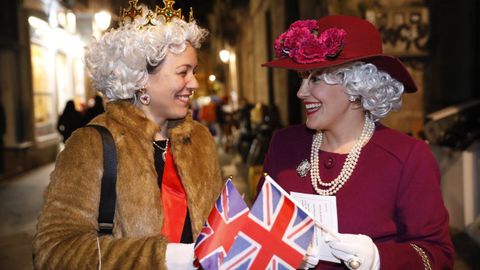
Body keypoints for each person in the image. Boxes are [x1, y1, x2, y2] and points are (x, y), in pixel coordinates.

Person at [33, 1, 223, 269]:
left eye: (194, 71)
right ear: (140, 79)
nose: (193, 83)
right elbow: (54, 251)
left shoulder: (199, 139)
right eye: (183, 72)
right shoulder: (91, 144)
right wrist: (164, 258)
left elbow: (223, 227)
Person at [258, 16, 454, 269]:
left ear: (357, 85)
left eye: (316, 78)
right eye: (303, 77)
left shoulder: (407, 157)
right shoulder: (284, 145)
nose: (301, 92)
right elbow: (261, 227)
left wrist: (378, 259)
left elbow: (437, 255)